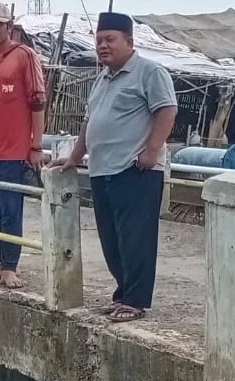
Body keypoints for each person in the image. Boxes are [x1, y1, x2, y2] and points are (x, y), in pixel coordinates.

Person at [54, 12, 177, 322]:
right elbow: (89, 123)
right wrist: (75, 156)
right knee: (112, 238)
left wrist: (151, 151)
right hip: (102, 169)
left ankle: (135, 301)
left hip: (135, 169)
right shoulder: (101, 79)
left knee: (136, 236)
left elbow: (167, 110)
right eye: (99, 41)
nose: (103, 46)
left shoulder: (149, 72)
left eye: (110, 40)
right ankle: (123, 293)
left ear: (129, 42)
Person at [0, 1, 47, 289]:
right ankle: (1, 262)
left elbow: (38, 101)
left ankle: (11, 266)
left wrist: (36, 145)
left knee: (10, 209)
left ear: (9, 26)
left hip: (13, 150)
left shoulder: (25, 56)